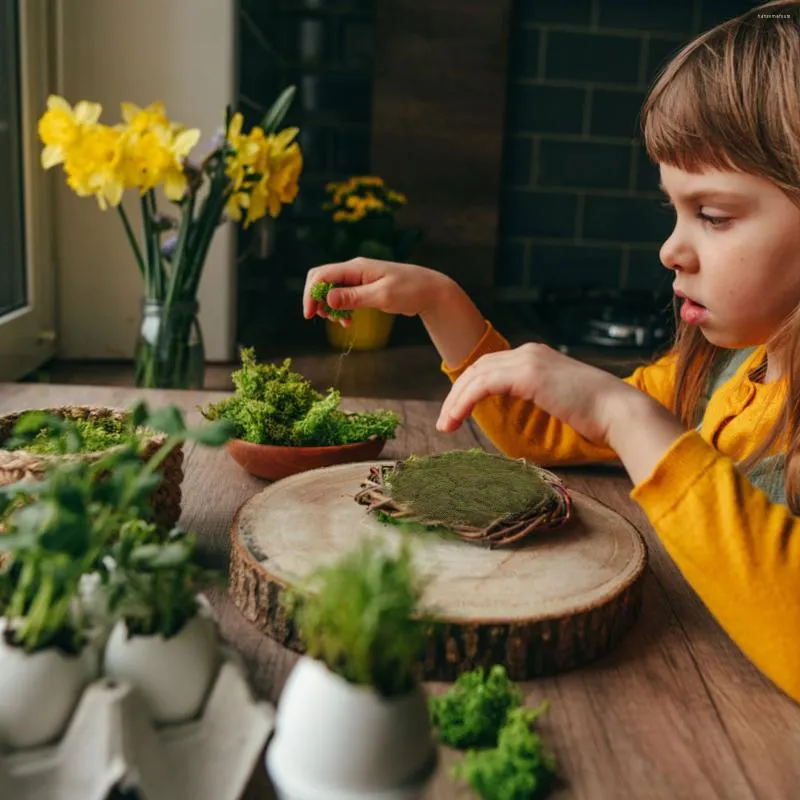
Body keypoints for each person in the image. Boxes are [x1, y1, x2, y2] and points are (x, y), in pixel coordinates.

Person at [302, 0, 800, 703]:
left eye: (713, 216)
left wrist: (626, 414)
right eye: (675, 211)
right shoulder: (728, 370)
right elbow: (540, 430)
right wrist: (442, 302)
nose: (670, 249)